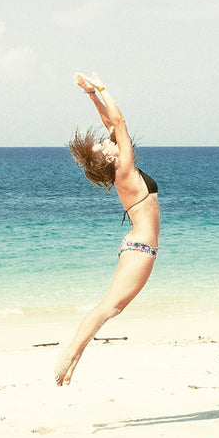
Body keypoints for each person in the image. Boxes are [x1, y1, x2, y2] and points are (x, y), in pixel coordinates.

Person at [55, 73, 160, 385]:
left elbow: (112, 126)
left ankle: (73, 359)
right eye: (104, 146)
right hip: (141, 249)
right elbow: (121, 123)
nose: (107, 142)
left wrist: (91, 97)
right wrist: (101, 86)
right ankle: (70, 353)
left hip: (137, 247)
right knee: (110, 307)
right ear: (111, 160)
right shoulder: (124, 170)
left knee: (110, 307)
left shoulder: (121, 167)